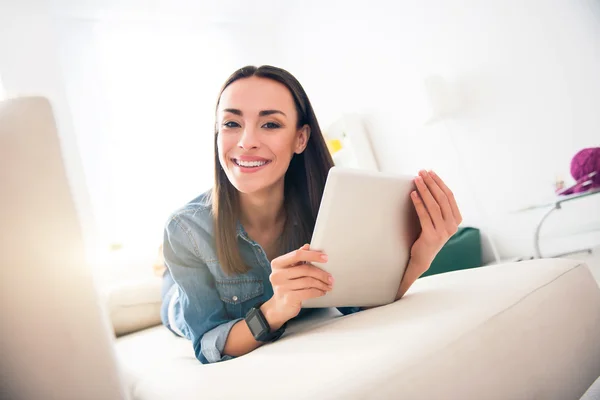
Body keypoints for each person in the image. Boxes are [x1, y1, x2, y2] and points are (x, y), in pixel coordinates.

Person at [160, 65, 463, 364]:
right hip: (181, 296)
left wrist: (421, 257)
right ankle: (165, 267)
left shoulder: (329, 208)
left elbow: (360, 301)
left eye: (270, 124)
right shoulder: (187, 230)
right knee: (175, 311)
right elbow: (209, 343)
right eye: (230, 124)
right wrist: (275, 309)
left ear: (300, 138)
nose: (246, 141)